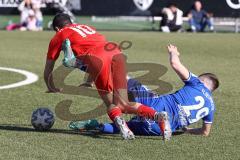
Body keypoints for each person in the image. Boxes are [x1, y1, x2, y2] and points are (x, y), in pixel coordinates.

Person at [44, 13, 172, 140]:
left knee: (111, 104)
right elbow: (95, 50)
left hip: (97, 58)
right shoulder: (85, 27)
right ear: (71, 22)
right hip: (115, 51)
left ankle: (125, 130)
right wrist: (89, 81)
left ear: (56, 28)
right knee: (124, 103)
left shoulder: (59, 35)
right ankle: (158, 116)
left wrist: (51, 86)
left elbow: (48, 68)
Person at [70, 45, 219, 137]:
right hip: (156, 129)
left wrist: (174, 53)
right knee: (125, 127)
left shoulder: (197, 83)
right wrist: (187, 130)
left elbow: (175, 63)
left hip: (155, 105)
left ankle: (78, 63)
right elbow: (205, 132)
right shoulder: (211, 107)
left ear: (202, 80)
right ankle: (99, 126)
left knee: (120, 76)